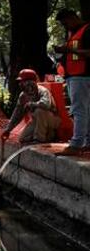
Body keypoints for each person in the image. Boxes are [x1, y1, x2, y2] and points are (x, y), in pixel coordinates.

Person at [55, 9, 90, 155]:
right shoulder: (73, 33)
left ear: (73, 17)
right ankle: (87, 142)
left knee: (78, 110)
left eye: (65, 23)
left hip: (82, 75)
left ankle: (76, 144)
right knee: (85, 110)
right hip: (74, 76)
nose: (65, 27)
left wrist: (69, 50)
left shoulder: (87, 30)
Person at [1, 70, 60, 144]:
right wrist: (8, 130)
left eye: (22, 81)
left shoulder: (42, 91)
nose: (20, 84)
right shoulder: (23, 95)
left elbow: (46, 104)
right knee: (23, 139)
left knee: (39, 111)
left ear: (30, 82)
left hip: (53, 119)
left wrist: (31, 104)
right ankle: (49, 135)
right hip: (37, 120)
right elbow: (17, 114)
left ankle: (39, 139)